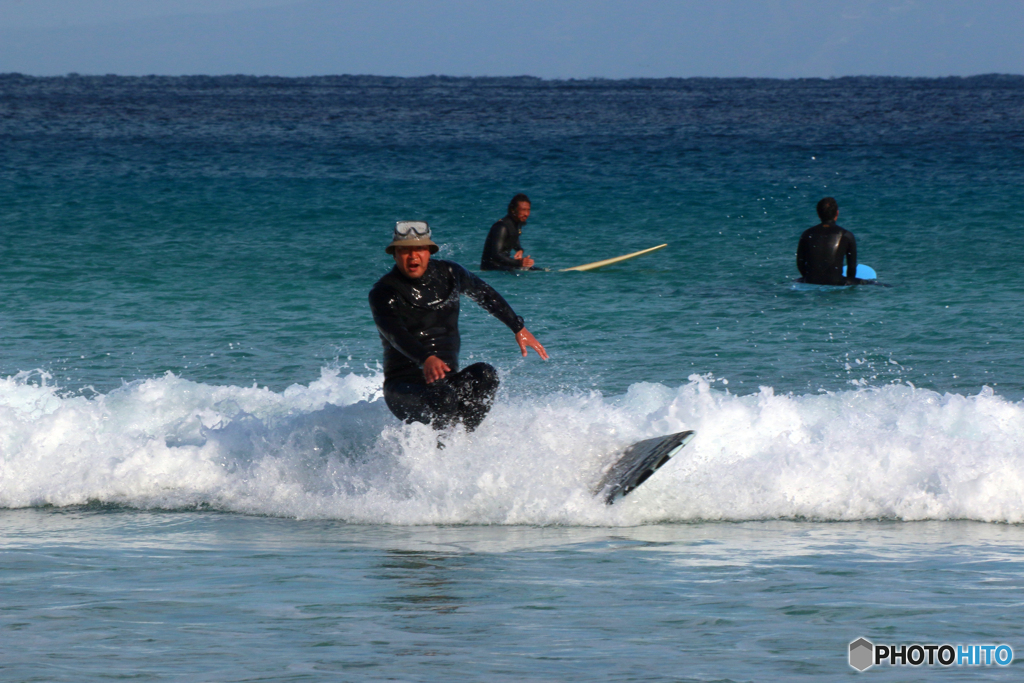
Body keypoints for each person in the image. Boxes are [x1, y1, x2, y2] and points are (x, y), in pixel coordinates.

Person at [370, 221, 548, 431]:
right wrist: (425, 358)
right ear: (395, 254)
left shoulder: (450, 274)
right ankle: (441, 454)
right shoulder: (384, 292)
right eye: (405, 251)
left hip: (446, 383)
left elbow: (485, 294)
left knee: (485, 375)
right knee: (443, 396)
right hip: (404, 388)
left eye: (419, 249)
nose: (413, 256)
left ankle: (464, 442)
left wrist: (517, 327)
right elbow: (394, 333)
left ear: (429, 251)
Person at [796, 197, 859, 285]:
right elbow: (851, 268)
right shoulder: (846, 235)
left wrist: (809, 279)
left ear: (818, 214)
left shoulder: (806, 234)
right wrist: (849, 282)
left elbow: (800, 264)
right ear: (837, 213)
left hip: (811, 281)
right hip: (836, 282)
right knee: (872, 283)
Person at [480, 193, 537, 271]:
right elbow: (496, 254)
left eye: (528, 210)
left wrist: (519, 250)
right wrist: (519, 263)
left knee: (536, 270)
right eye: (523, 210)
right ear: (513, 210)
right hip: (491, 267)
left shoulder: (515, 224)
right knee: (520, 275)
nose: (526, 214)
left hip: (503, 265)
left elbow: (513, 237)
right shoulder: (502, 227)